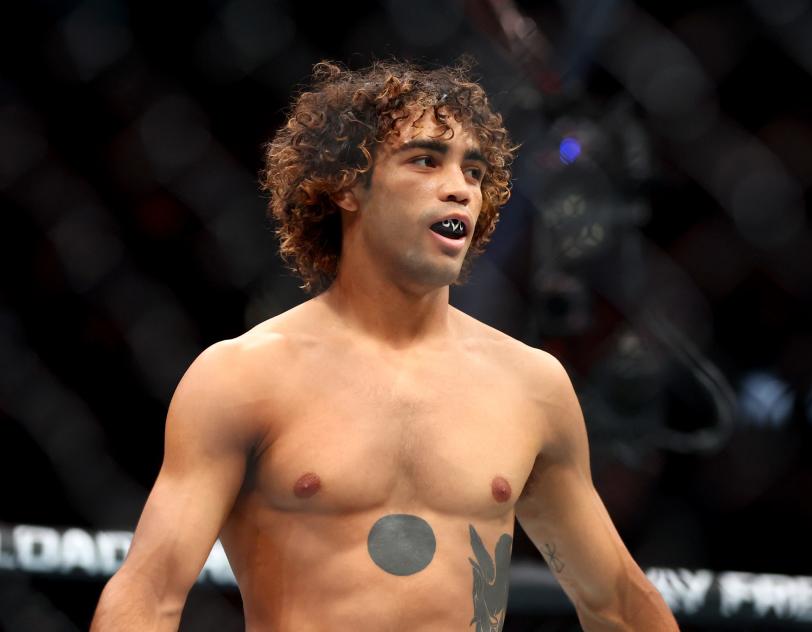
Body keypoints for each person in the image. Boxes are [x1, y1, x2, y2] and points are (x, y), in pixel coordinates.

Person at [91, 59, 678, 632]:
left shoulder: (532, 386)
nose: (459, 190)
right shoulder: (243, 377)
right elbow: (151, 589)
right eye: (426, 160)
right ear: (348, 185)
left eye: (474, 172)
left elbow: (619, 603)